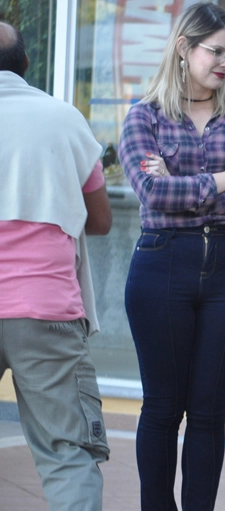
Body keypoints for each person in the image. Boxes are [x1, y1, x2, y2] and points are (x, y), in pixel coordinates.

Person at [117, 3, 225, 509]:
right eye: (216, 51)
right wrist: (224, 180)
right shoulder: (144, 115)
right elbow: (150, 192)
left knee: (209, 412)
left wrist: (183, 185)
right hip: (162, 266)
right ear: (184, 48)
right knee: (163, 409)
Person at [0, 21, 111, 510]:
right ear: (27, 64)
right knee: (66, 453)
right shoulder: (64, 119)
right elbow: (101, 220)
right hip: (44, 307)